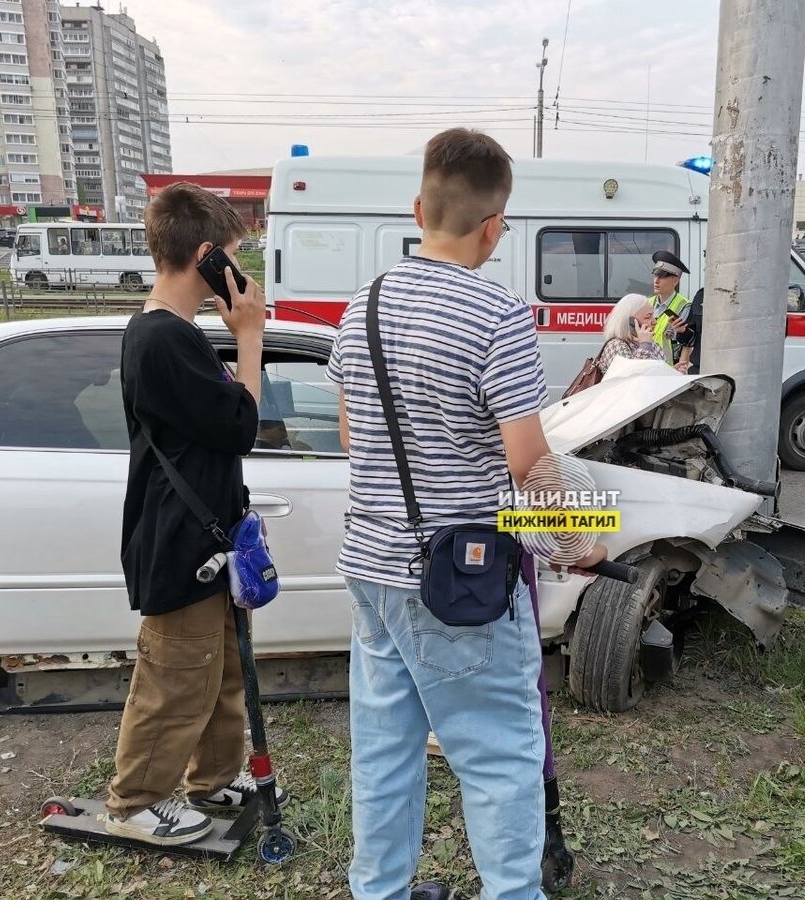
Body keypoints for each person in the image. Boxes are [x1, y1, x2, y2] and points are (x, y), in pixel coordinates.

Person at [326, 128, 605, 900]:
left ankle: (377, 891)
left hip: (372, 572)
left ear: (419, 209)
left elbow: (355, 438)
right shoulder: (499, 315)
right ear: (493, 226)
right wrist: (581, 541)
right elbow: (529, 462)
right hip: (462, 582)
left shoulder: (363, 306)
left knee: (384, 747)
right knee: (500, 755)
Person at [103, 182, 286, 847]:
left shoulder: (174, 334)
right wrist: (251, 335)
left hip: (207, 539)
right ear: (208, 257)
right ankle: (133, 801)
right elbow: (240, 424)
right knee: (176, 677)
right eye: (234, 259)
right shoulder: (162, 340)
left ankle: (211, 780)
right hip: (179, 541)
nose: (241, 275)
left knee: (223, 669)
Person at [595, 292, 687, 374]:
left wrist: (672, 373)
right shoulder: (615, 345)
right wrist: (644, 346)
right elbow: (630, 377)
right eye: (648, 317)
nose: (654, 322)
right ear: (631, 322)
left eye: (653, 316)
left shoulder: (654, 346)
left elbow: (653, 377)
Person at [647, 249, 692, 368]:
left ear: (675, 280)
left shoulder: (685, 306)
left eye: (662, 276)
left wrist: (680, 372)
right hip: (648, 367)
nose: (656, 280)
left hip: (670, 370)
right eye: (655, 275)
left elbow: (688, 345)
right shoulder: (648, 304)